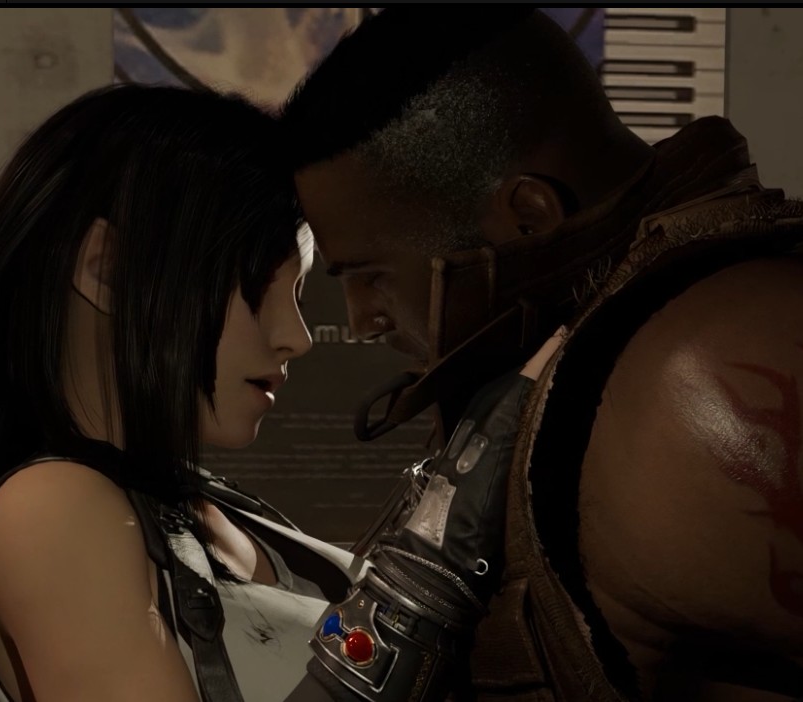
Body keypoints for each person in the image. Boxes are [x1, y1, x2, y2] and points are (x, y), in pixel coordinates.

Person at [281, 6, 803, 701]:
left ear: (528, 216)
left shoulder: (701, 375)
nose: (362, 320)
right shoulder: (592, 349)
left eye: (371, 275)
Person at [0, 83, 371, 702]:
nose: (296, 338)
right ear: (107, 269)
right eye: (256, 289)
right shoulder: (53, 508)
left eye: (297, 294)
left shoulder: (197, 504)